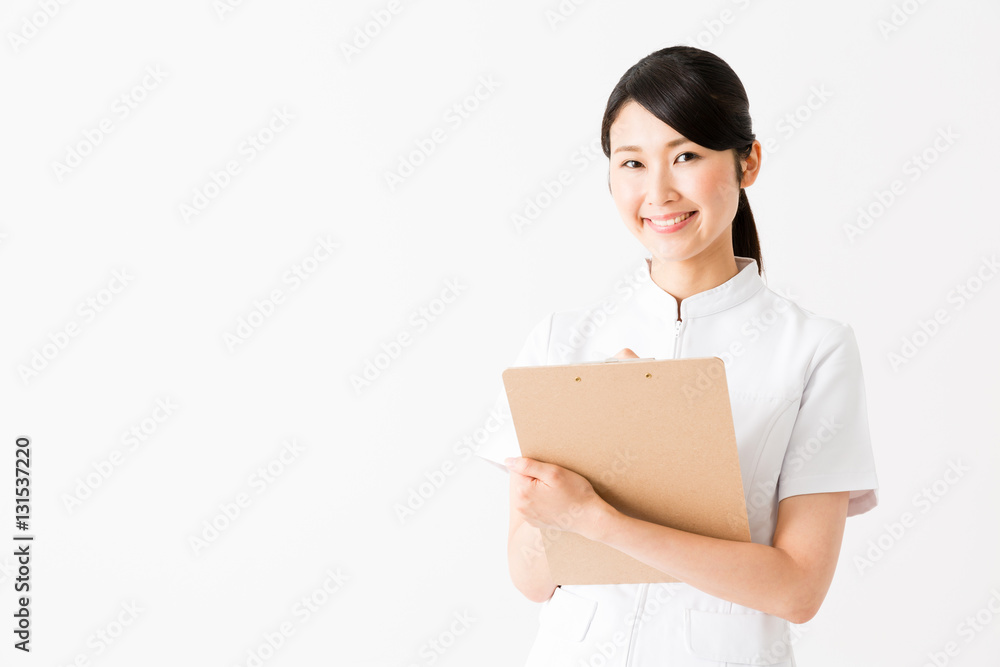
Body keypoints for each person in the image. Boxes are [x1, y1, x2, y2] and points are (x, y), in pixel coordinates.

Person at [477, 45, 879, 666]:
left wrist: (598, 519)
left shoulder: (813, 350)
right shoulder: (561, 344)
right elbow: (531, 579)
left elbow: (799, 589)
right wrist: (580, 464)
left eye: (686, 156)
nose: (658, 191)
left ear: (748, 162)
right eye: (632, 163)